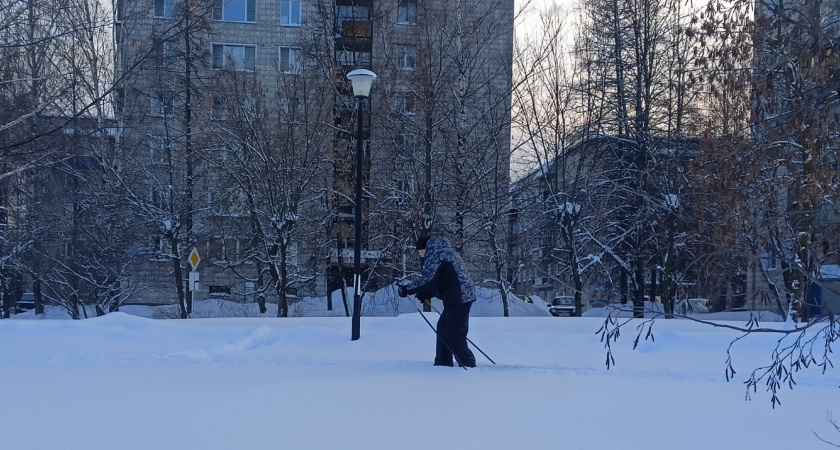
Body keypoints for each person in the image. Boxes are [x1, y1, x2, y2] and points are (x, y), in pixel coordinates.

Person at [398, 237, 477, 367]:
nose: (420, 255)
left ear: (424, 249)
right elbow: (443, 278)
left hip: (460, 297)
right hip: (458, 296)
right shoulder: (444, 251)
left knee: (454, 332)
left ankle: (467, 363)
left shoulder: (435, 253)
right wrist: (426, 293)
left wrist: (407, 289)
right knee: (443, 328)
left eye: (419, 252)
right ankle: (443, 362)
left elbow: (428, 278)